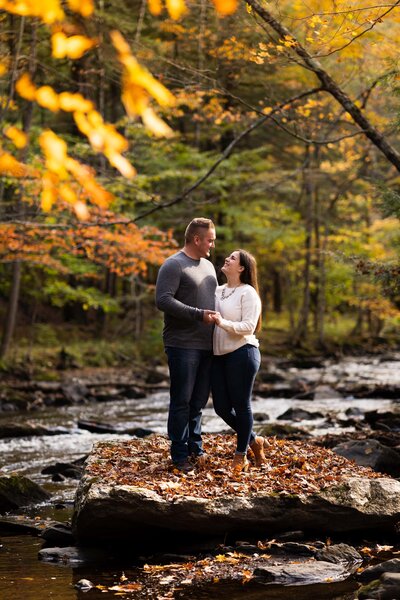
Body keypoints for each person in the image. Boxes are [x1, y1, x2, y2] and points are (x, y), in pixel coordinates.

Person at [155, 217, 217, 473]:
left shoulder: (210, 266)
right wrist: (196, 313)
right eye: (210, 239)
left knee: (199, 401)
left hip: (208, 344)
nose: (213, 244)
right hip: (182, 344)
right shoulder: (174, 265)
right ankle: (179, 456)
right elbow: (163, 300)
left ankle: (195, 447)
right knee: (181, 399)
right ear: (196, 239)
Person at [211, 249, 267, 472]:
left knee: (242, 406)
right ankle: (255, 440)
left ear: (242, 268)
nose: (227, 259)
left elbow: (248, 327)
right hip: (218, 356)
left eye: (232, 258)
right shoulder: (217, 290)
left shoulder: (248, 293)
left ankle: (240, 455)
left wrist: (221, 322)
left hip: (242, 353)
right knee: (221, 408)